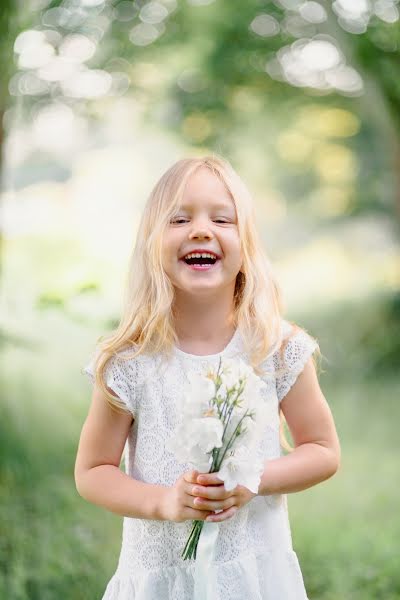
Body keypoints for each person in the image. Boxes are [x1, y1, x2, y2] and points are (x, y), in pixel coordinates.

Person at [74, 154, 341, 599]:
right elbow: (93, 470)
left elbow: (323, 450)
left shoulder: (275, 348)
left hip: (253, 576)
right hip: (161, 577)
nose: (201, 230)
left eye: (222, 218)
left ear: (247, 247)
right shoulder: (128, 361)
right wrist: (163, 502)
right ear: (151, 242)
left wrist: (252, 479)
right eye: (179, 219)